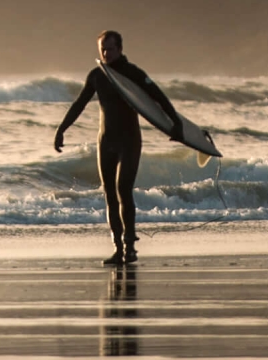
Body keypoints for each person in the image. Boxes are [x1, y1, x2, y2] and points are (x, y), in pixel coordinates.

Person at [54, 30, 184, 266]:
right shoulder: (97, 75)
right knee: (109, 196)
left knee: (124, 188)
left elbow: (159, 98)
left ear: (120, 49)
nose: (106, 53)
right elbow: (79, 104)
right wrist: (62, 129)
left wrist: (176, 124)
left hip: (129, 140)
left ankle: (130, 246)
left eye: (110, 49)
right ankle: (118, 248)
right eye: (102, 49)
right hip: (106, 141)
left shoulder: (132, 73)